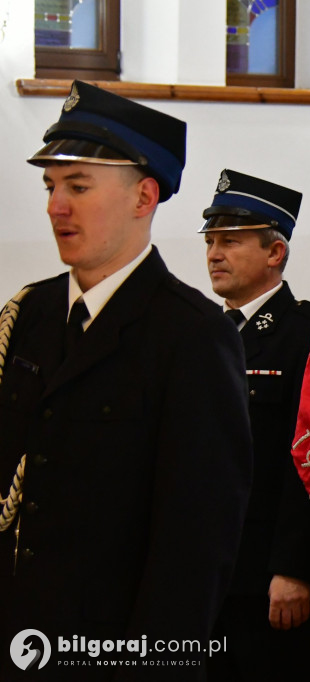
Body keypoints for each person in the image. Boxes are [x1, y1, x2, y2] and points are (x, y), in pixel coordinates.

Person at [0, 81, 251, 679]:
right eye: (52, 187)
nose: (56, 206)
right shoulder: (26, 317)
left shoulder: (190, 337)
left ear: (144, 196)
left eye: (78, 187)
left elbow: (195, 547)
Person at [201, 170, 310, 681]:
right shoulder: (201, 334)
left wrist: (293, 566)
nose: (213, 254)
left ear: (275, 253)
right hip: (204, 569)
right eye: (210, 241)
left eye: (229, 242)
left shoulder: (305, 338)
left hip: (265, 576)